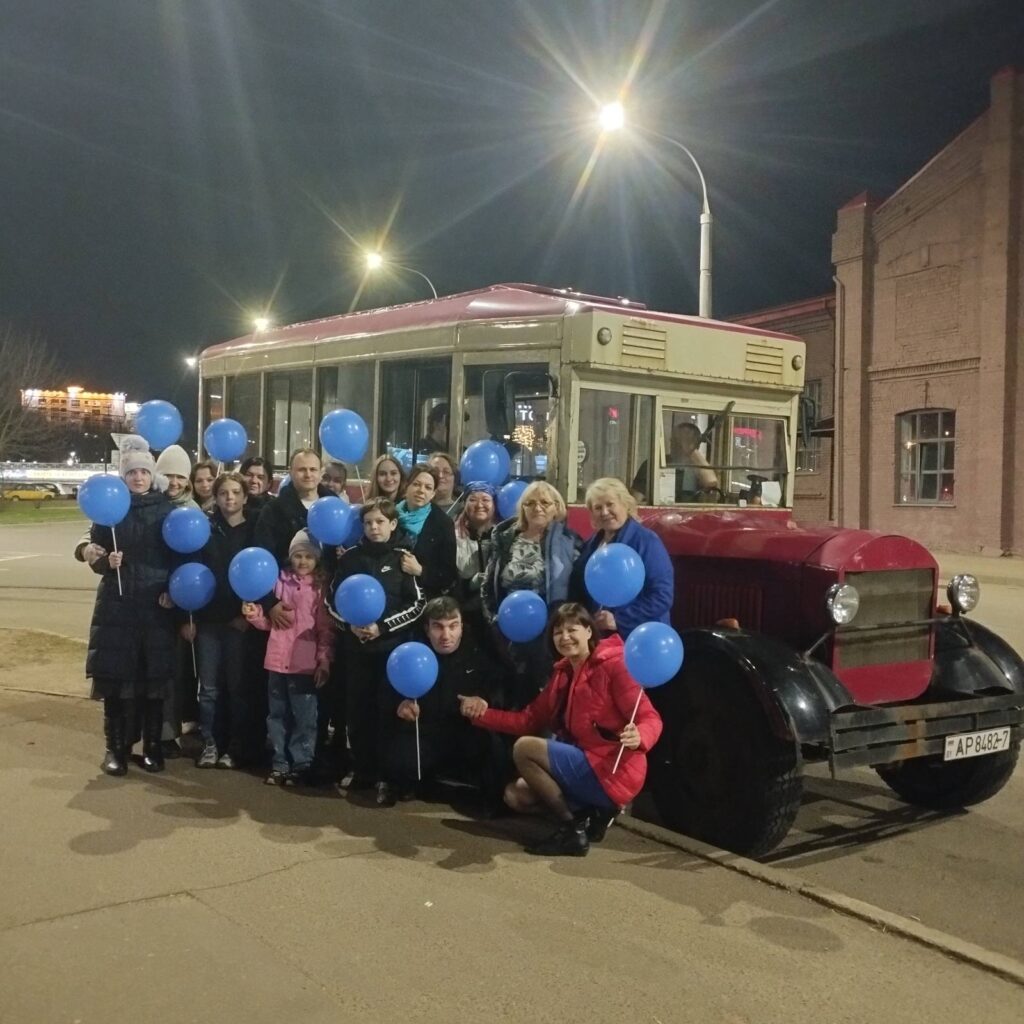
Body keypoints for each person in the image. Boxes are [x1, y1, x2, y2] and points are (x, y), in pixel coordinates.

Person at [460, 603, 663, 857]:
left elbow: (649, 716)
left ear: (589, 631)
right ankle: (589, 816)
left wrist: (640, 736)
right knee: (516, 796)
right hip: (583, 763)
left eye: (572, 630)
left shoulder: (615, 665)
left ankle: (571, 830)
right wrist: (480, 715)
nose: (565, 637)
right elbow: (528, 720)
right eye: (558, 632)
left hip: (612, 769)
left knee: (524, 748)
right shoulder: (563, 674)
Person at [84, 436, 176, 776]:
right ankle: (116, 748)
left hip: (155, 605)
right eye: (132, 472)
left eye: (144, 472)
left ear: (153, 476)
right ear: (124, 477)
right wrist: (105, 561)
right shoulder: (110, 510)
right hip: (117, 607)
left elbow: (180, 554)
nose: (138, 478)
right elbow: (94, 551)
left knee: (153, 681)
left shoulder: (167, 510)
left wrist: (173, 590)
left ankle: (152, 747)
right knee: (116, 681)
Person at [328, 499, 426, 797]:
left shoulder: (403, 559)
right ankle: (363, 771)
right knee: (358, 712)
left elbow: (417, 604)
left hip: (391, 653)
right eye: (369, 522)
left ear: (393, 524)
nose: (374, 527)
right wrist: (349, 625)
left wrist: (381, 627)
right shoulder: (349, 559)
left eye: (380, 522)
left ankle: (387, 774)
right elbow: (331, 600)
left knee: (387, 713)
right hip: (356, 650)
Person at [377, 596, 510, 811]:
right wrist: (399, 704)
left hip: (464, 731)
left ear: (462, 626)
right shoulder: (411, 652)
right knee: (398, 758)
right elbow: (386, 690)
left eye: (453, 626)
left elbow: (499, 685)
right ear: (427, 629)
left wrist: (483, 699)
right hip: (424, 733)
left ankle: (489, 799)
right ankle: (395, 783)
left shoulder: (478, 651)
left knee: (493, 746)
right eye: (438, 627)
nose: (446, 635)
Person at [242, 530, 333, 785]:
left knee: (305, 717)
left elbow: (325, 629)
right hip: (276, 661)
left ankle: (302, 763)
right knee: (277, 714)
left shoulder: (320, 589)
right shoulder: (278, 582)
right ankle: (280, 762)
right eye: (298, 556)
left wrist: (324, 659)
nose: (303, 561)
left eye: (309, 556)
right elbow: (268, 623)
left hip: (304, 664)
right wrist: (254, 614)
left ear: (317, 559)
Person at [482, 480, 581, 705]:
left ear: (557, 507)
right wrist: (494, 621)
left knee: (547, 699)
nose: (538, 508)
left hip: (549, 633)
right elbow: (488, 585)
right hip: (507, 631)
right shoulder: (505, 538)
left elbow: (577, 590)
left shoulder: (569, 541)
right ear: (522, 508)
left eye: (545, 503)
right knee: (513, 695)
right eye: (531, 503)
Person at [183, 472, 256, 769]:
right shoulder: (205, 529)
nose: (230, 498)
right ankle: (210, 744)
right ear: (215, 497)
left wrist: (247, 616)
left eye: (236, 492)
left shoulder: (254, 531)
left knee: (237, 688)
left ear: (245, 497)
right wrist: (189, 617)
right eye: (224, 493)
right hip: (208, 621)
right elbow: (190, 573)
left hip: (239, 622)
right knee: (209, 689)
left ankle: (234, 747)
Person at [569, 478, 674, 639]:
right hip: (600, 637)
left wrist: (619, 619)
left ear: (625, 504)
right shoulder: (591, 544)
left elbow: (661, 597)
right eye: (598, 507)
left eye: (610, 504)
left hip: (639, 638)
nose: (605, 512)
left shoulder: (647, 541)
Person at [253, 448, 334, 622]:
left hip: (327, 601)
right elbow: (262, 556)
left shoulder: (335, 507)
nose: (308, 474)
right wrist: (270, 603)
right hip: (286, 600)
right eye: (301, 469)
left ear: (321, 473)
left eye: (313, 469)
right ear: (291, 472)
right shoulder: (273, 510)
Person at [395, 464, 458, 600]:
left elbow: (448, 575)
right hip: (391, 591)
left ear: (433, 494)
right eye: (416, 484)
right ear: (406, 486)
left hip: (425, 597)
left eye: (428, 487)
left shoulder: (443, 523)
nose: (421, 491)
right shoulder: (390, 515)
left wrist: (420, 571)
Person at [631, 421, 719, 503]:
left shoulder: (698, 468)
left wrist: (691, 450)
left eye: (679, 442)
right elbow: (636, 500)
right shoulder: (655, 464)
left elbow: (711, 482)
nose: (673, 445)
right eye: (673, 440)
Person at [155, 445, 200, 510]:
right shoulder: (146, 504)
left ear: (187, 482)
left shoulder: (193, 510)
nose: (174, 483)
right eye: (168, 475)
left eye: (180, 477)